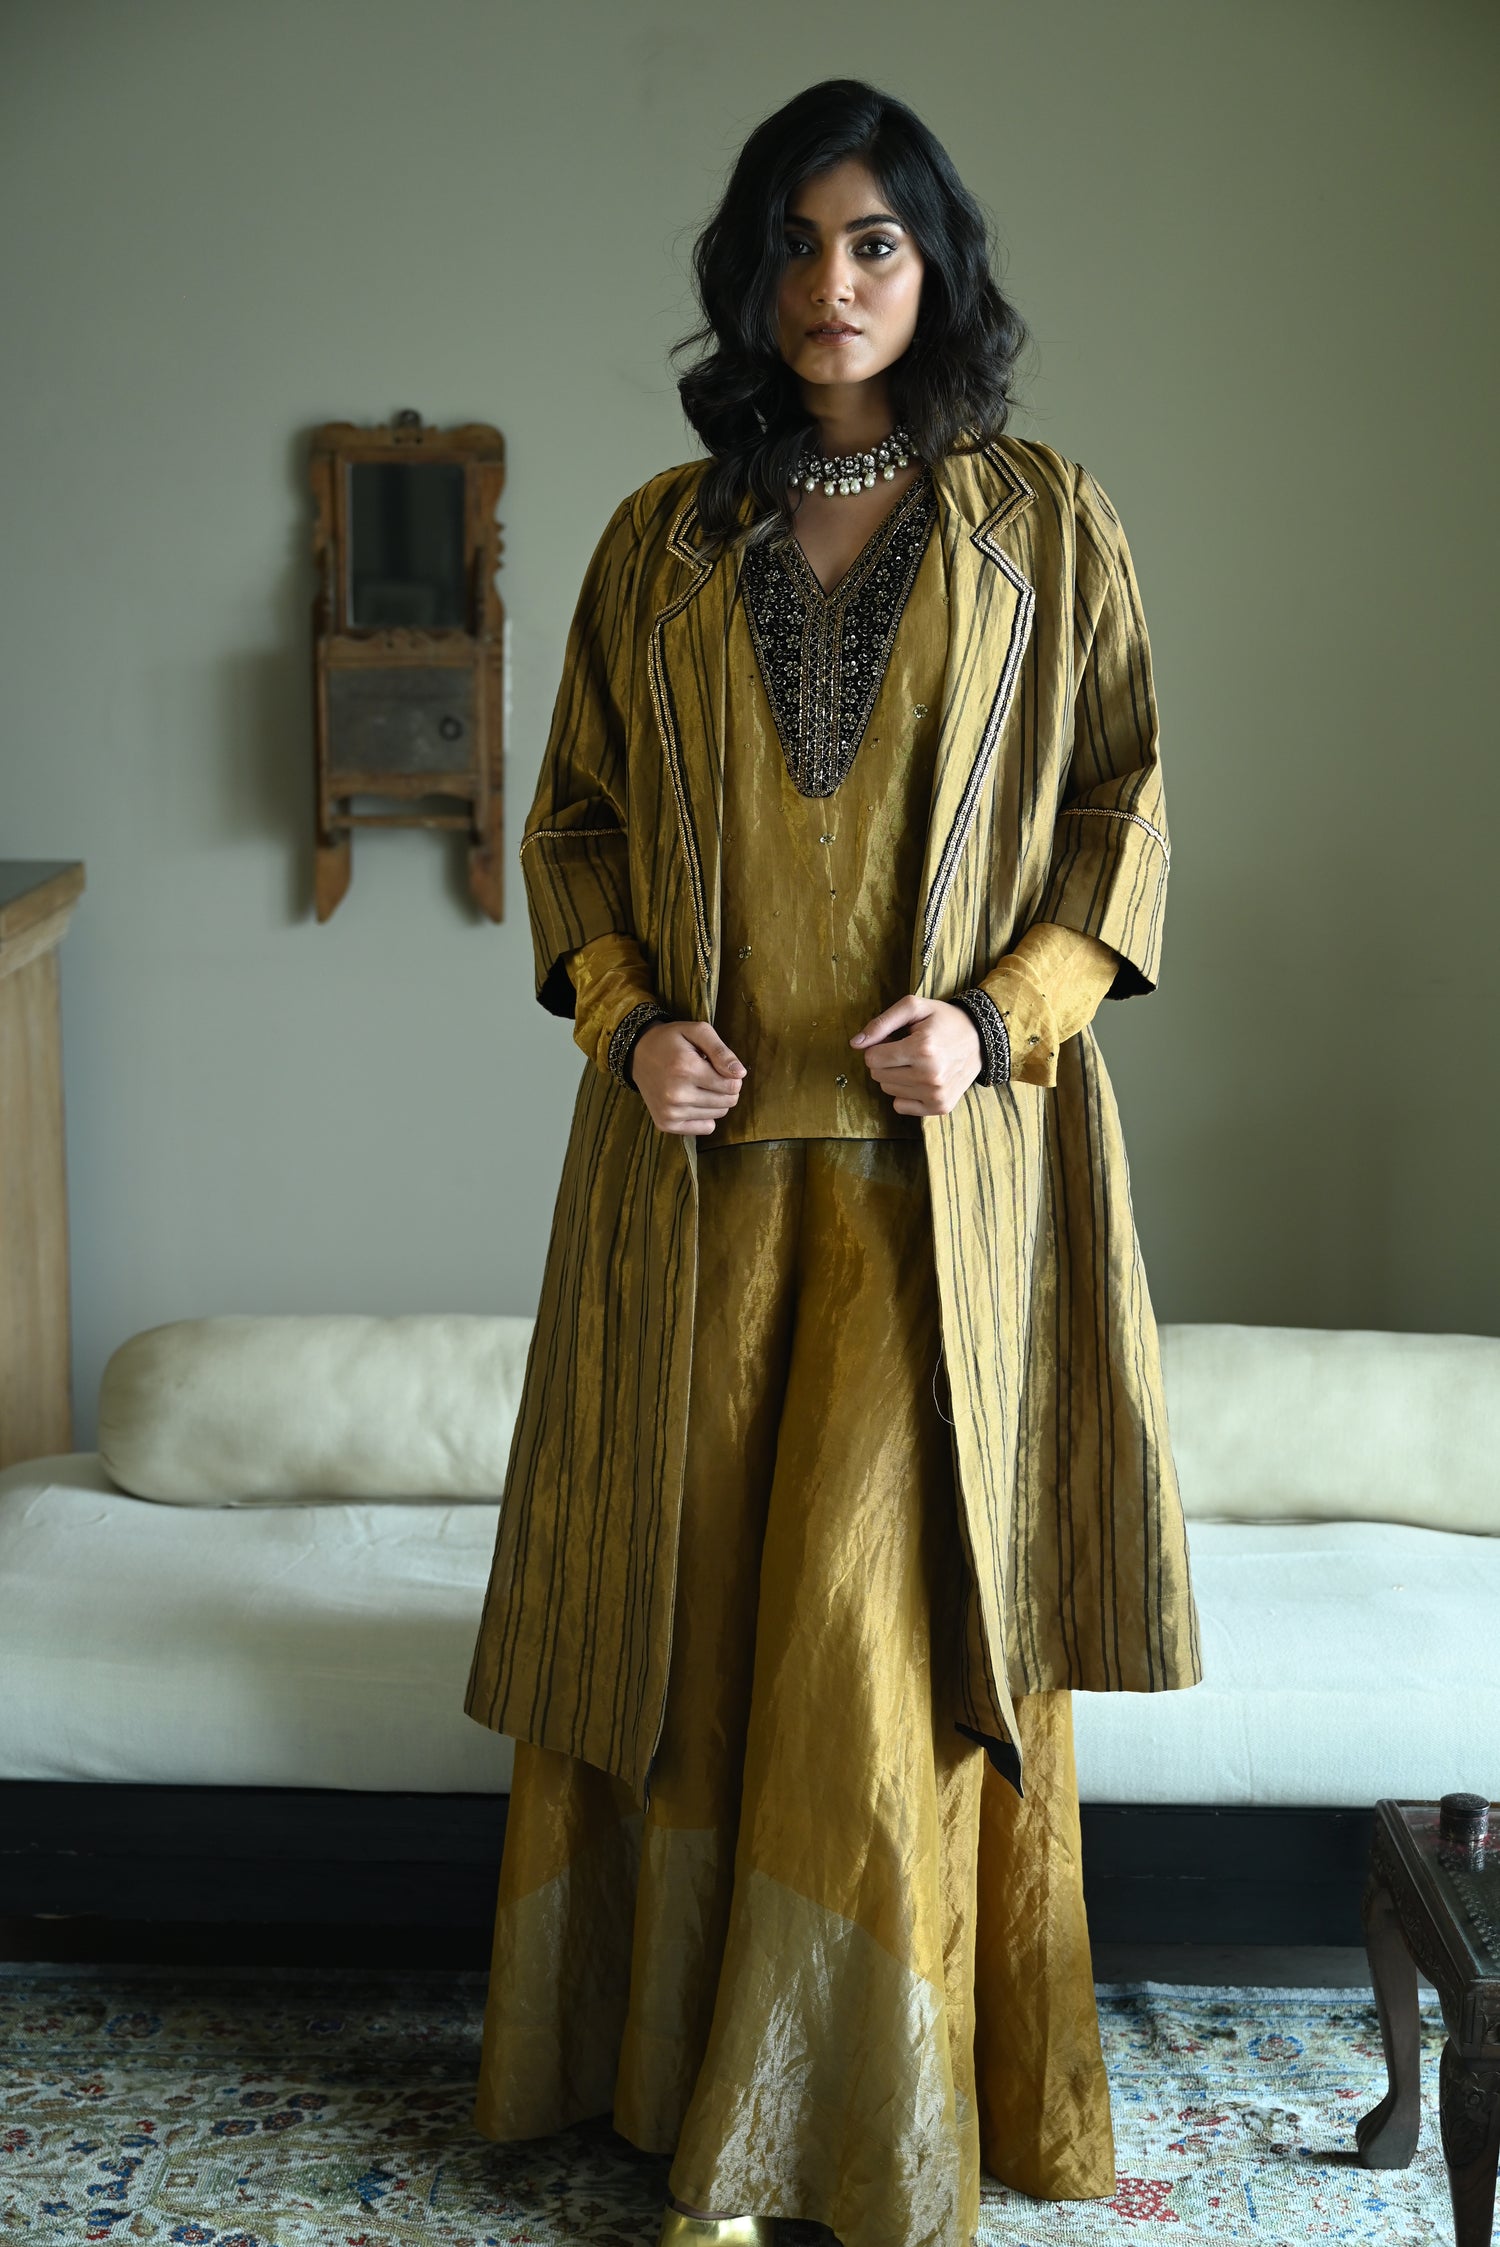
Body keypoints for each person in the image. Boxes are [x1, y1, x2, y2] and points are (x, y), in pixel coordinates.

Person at [464, 76, 1200, 2247]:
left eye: (873, 240)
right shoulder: (656, 541)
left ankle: (846, 2143)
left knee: (876, 1641)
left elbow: (1123, 820)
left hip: (941, 1195)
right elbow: (573, 826)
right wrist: (627, 1021)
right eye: (792, 242)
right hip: (695, 1192)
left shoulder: (1046, 520)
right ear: (746, 276)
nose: (829, 281)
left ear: (935, 265)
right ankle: (670, 2088)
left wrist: (998, 1017)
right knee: (686, 1643)